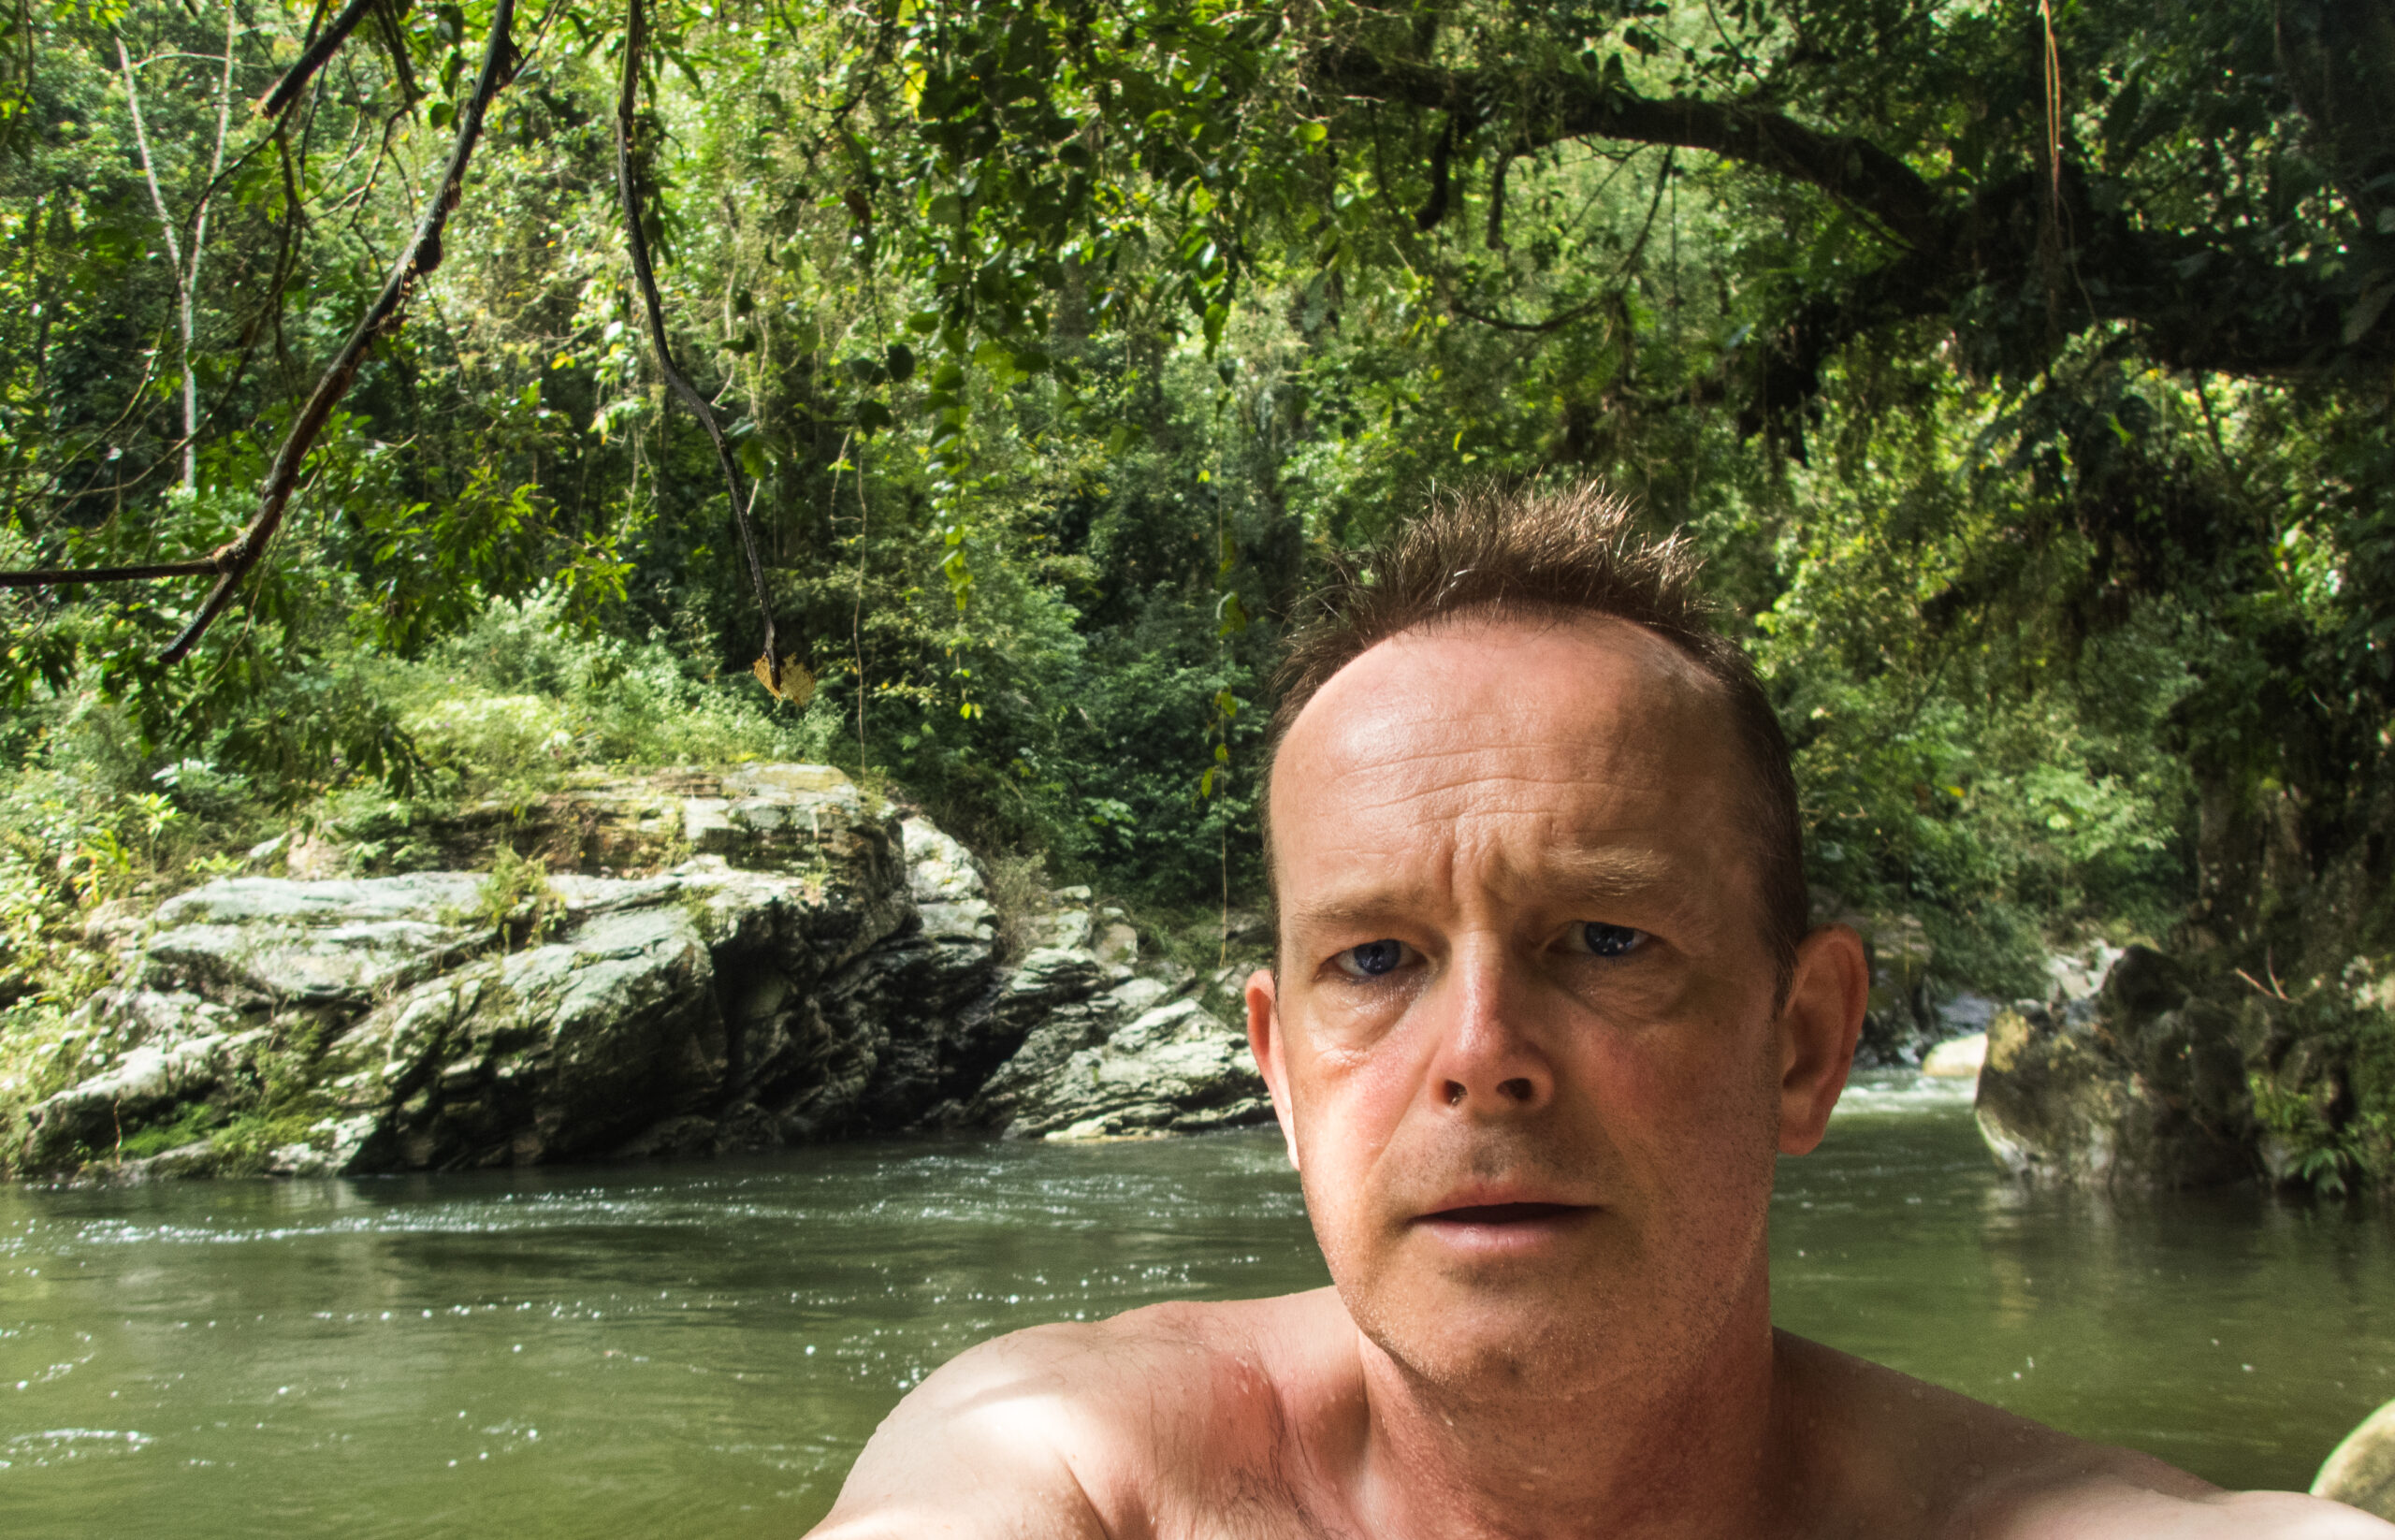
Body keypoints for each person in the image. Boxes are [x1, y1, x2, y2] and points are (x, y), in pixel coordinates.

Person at [806, 486, 2391, 1538]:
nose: (1482, 1053)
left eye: (1608, 938)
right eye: (1373, 959)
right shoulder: (1074, 1471)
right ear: (1278, 1072)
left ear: (1804, 1041)